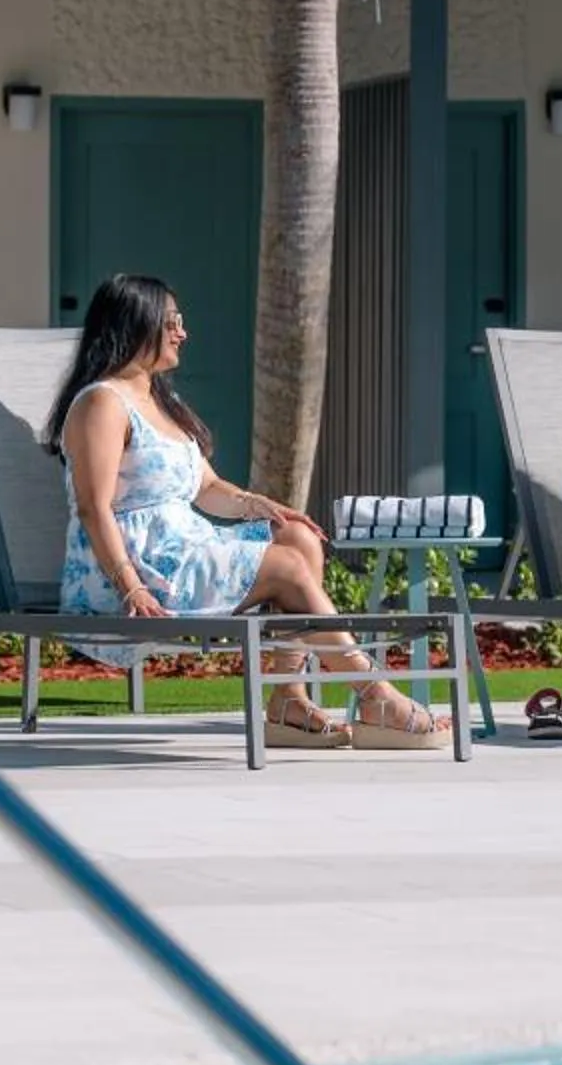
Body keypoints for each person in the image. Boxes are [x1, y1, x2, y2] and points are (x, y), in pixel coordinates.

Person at [52, 273, 450, 751]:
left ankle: (289, 702)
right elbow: (94, 507)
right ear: (138, 322)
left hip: (181, 552)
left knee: (297, 540)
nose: (183, 332)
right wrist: (130, 584)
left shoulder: (161, 400)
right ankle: (376, 695)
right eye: (173, 321)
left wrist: (262, 507)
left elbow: (207, 487)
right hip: (128, 571)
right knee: (284, 567)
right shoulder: (102, 402)